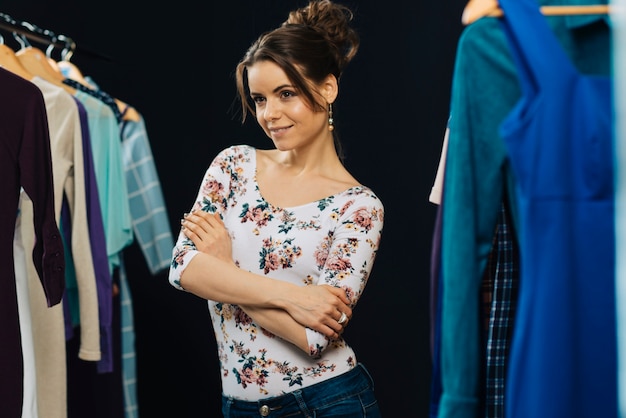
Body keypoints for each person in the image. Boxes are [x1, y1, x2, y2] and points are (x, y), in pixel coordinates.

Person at [168, 1, 384, 416]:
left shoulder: (359, 207)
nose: (269, 114)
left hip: (329, 401)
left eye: (286, 94)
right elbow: (184, 268)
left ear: (327, 88)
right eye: (260, 98)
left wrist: (223, 269)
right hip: (239, 407)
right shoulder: (232, 166)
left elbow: (313, 338)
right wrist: (293, 298)